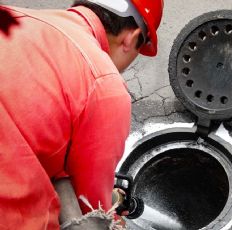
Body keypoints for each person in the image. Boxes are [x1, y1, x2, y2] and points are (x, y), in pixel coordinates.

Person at [0, 0, 163, 228]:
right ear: (131, 37)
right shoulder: (104, 84)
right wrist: (114, 216)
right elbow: (92, 206)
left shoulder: (11, 16)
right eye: (142, 44)